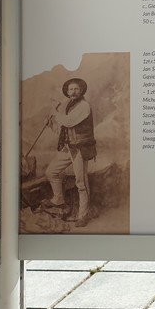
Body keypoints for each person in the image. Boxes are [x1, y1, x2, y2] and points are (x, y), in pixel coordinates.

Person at [43, 78, 96, 227]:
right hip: (69, 147)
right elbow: (63, 129)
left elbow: (68, 122)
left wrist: (54, 113)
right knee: (51, 172)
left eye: (76, 89)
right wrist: (50, 124)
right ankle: (58, 199)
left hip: (81, 148)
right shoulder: (69, 106)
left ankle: (83, 215)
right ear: (67, 92)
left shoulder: (84, 106)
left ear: (81, 90)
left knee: (81, 183)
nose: (73, 92)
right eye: (70, 89)